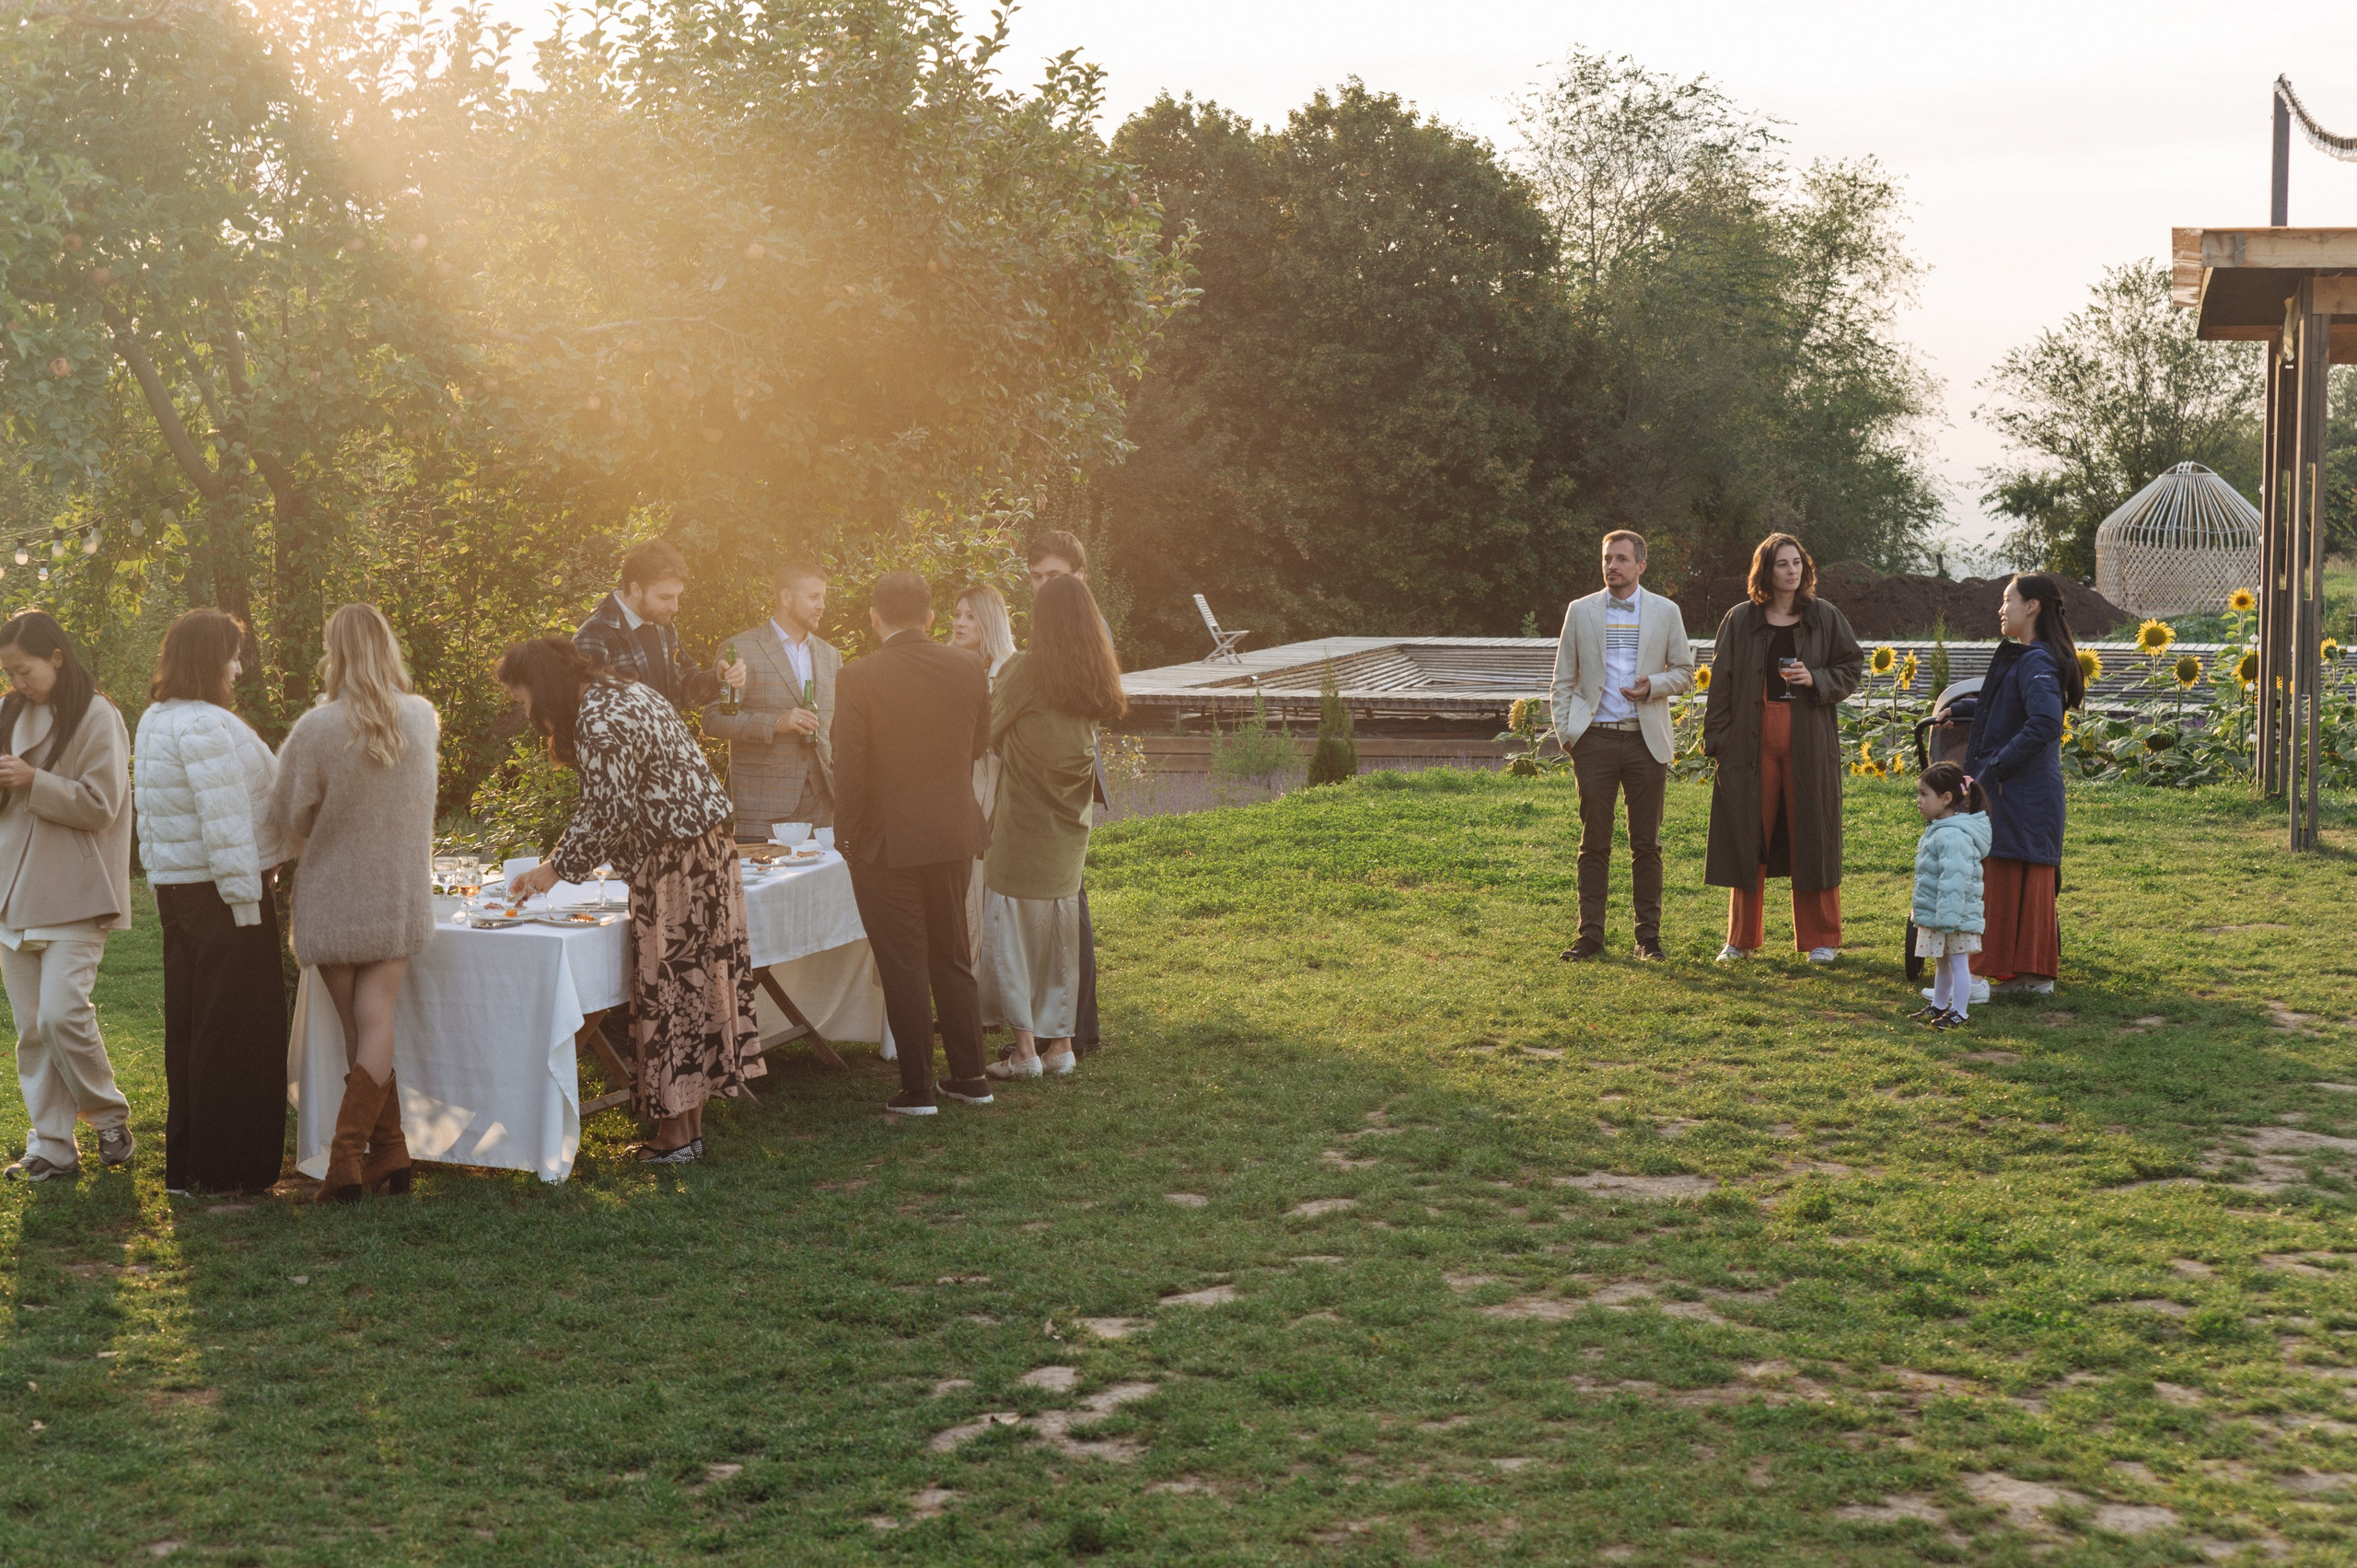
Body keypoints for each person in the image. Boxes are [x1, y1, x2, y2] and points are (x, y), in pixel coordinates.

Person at [502, 637, 761, 1158]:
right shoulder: (625, 692)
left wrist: (553, 870)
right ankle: (687, 1134)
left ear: (543, 685)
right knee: (694, 991)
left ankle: (674, 1136)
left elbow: (608, 811)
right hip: (706, 853)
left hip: (675, 864)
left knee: (672, 994)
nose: (523, 708)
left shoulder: (600, 716)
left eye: (522, 695)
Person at [269, 604, 440, 1202]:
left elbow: (288, 813)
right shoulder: (421, 719)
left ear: (333, 651)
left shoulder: (318, 727)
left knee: (354, 1026)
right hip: (397, 891)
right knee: (378, 1020)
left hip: (335, 893)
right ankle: (388, 1153)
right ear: (388, 648)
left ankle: (347, 1162)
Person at [135, 609, 289, 1194]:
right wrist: (248, 901)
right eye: (231, 653)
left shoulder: (157, 717)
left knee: (193, 1025)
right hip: (225, 895)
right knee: (236, 1030)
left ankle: (189, 1164)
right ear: (208, 659)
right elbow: (224, 825)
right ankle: (229, 1169)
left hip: (181, 892)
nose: (238, 665)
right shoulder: (202, 725)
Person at [831, 572, 995, 1114]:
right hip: (952, 831)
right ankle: (972, 1076)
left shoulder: (858, 676)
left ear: (875, 617)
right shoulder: (970, 666)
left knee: (904, 961)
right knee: (952, 955)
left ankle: (919, 1088)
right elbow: (977, 747)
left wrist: (847, 833)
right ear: (930, 618)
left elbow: (850, 768)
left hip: (888, 841)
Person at [0, 613, 134, 1182]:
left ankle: (108, 1116)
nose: (17, 682)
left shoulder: (100, 716)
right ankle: (52, 1145)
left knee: (61, 1015)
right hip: (10, 887)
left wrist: (34, 781)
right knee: (32, 1029)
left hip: (77, 891)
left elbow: (103, 805)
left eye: (23, 670)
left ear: (56, 656)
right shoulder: (8, 712)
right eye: (8, 671)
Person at [980, 573, 1126, 1077]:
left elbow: (989, 729)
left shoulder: (1023, 671)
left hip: (1022, 827)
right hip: (1070, 830)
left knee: (1011, 935)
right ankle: (1061, 1045)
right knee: (1062, 938)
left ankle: (1024, 1052)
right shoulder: (1093, 678)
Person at [1701, 534, 1864, 964]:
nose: (1792, 571)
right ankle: (1740, 940)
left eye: (1797, 563)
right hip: (1750, 743)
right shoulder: (1740, 619)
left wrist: (1817, 679)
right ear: (1766, 571)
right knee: (1747, 836)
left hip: (1809, 741)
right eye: (1782, 564)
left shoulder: (1825, 616)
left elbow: (1852, 666)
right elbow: (1722, 683)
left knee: (1814, 833)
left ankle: (1822, 939)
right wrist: (1717, 741)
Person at [1550, 529, 1696, 961]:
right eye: (1607, 559)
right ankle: (1590, 936)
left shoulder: (1665, 612)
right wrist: (1568, 734)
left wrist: (1653, 685)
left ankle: (1648, 938)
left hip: (1645, 741)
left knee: (1646, 845)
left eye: (1621, 559)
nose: (1612, 566)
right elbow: (1562, 679)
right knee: (1593, 842)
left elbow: (1686, 673)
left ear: (1640, 566)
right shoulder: (1580, 611)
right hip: (1593, 741)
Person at [1951, 572, 2082, 997]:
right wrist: (1960, 710)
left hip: (2022, 793)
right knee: (2013, 876)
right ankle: (2027, 976)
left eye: (2008, 600)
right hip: (2023, 794)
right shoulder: (2030, 656)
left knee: (2009, 877)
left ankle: (2000, 976)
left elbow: (2045, 721)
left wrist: (1995, 769)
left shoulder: (2037, 659)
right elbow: (2010, 703)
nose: (2001, 608)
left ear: (2032, 607)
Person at [1026, 532, 1109, 1055]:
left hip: (1063, 781)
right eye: (1035, 578)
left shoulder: (1083, 627)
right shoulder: (1057, 625)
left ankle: (1075, 1029)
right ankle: (1067, 1027)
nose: (1042, 587)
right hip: (1059, 779)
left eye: (1053, 576)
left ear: (1079, 576)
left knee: (1069, 903)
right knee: (1065, 903)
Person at [702, 561, 840, 834]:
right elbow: (713, 720)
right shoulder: (741, 648)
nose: (822, 605)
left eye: (823, 597)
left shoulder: (831, 655)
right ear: (786, 597)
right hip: (763, 807)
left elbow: (838, 730)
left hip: (824, 807)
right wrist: (776, 723)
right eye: (814, 597)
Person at [575, 538, 726, 713]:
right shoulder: (593, 636)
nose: (675, 607)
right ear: (636, 589)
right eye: (665, 597)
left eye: (678, 596)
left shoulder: (664, 627)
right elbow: (590, 719)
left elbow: (686, 690)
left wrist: (716, 678)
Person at [949, 584, 1017, 966]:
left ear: (989, 620)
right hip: (954, 777)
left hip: (992, 777)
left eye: (970, 616)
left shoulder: (1007, 669)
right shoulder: (949, 663)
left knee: (978, 880)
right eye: (957, 615)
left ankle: (976, 985)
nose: (960, 623)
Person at [1908, 761, 1990, 1031]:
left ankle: (1960, 1011)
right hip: (1941, 914)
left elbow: (1956, 880)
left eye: (1923, 794)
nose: (1918, 800)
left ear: (1946, 799)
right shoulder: (1941, 830)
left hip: (1954, 917)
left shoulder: (1954, 836)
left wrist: (1950, 917)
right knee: (1942, 963)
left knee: (1957, 964)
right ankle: (1940, 1004)